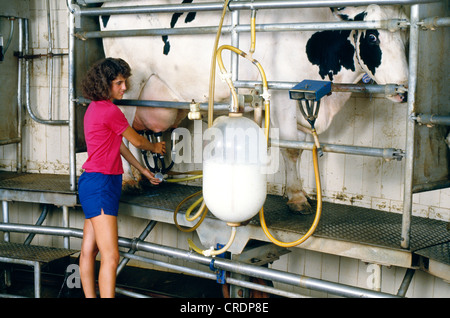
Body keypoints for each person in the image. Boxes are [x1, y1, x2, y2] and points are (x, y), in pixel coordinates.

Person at [78, 57, 165, 298]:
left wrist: (142, 170)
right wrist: (155, 148)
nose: (124, 87)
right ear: (104, 84)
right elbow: (136, 140)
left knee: (88, 251)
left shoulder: (94, 108)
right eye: (118, 83)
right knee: (111, 255)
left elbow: (119, 145)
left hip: (92, 182)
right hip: (102, 185)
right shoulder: (110, 110)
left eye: (124, 82)